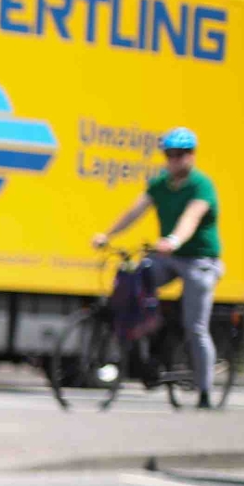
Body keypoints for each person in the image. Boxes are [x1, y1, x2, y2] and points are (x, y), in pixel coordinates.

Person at [93, 127, 223, 408]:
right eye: (170, 155)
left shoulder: (202, 185)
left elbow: (192, 216)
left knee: (195, 327)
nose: (174, 160)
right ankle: (149, 332)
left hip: (200, 260)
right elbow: (134, 211)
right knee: (135, 277)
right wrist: (108, 235)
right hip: (169, 258)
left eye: (180, 155)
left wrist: (174, 239)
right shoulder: (161, 184)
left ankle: (204, 392)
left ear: (191, 156)